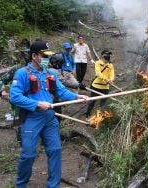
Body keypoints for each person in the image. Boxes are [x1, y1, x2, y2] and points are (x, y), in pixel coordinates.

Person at [9, 40, 88, 188]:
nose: (47, 59)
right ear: (34, 56)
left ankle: (53, 185)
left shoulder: (50, 73)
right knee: (28, 154)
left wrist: (77, 96)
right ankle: (21, 184)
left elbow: (61, 91)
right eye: (43, 56)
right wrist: (37, 103)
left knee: (55, 150)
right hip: (32, 117)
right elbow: (15, 96)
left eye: (48, 56)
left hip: (49, 118)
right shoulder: (22, 73)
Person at [49, 53, 87, 122]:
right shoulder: (52, 71)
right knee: (55, 119)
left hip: (55, 100)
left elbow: (68, 78)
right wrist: (78, 86)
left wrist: (78, 85)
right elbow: (63, 82)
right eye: (61, 63)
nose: (62, 65)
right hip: (52, 101)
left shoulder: (61, 70)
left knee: (57, 118)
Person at [86, 50, 114, 118]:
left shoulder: (110, 65)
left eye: (108, 56)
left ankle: (100, 117)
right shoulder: (98, 63)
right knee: (92, 101)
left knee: (103, 103)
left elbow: (112, 74)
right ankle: (87, 115)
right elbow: (98, 73)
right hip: (96, 86)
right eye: (106, 56)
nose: (107, 59)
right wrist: (106, 79)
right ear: (102, 56)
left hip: (105, 87)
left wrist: (111, 80)